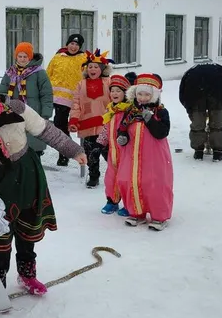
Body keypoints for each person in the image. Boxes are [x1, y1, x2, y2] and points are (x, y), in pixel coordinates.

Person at [0, 75, 86, 295]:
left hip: (26, 173)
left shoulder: (15, 108)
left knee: (28, 230)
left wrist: (73, 150)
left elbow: (46, 130)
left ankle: (27, 274)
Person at [115, 74, 173, 231]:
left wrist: (150, 120)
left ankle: (159, 216)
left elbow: (162, 133)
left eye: (147, 94)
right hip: (132, 154)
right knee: (132, 181)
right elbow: (122, 128)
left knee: (154, 183)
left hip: (154, 155)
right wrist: (122, 137)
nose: (143, 98)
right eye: (140, 94)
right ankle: (136, 213)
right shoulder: (130, 111)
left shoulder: (160, 112)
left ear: (153, 95)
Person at [0, 42, 53, 156]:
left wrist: (46, 114)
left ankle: (35, 163)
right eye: (20, 56)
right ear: (16, 57)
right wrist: (1, 109)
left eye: (25, 56)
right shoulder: (10, 73)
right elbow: (2, 92)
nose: (22, 59)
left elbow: (46, 94)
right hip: (13, 113)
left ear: (30, 57)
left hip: (34, 113)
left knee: (33, 147)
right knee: (16, 147)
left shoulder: (39, 73)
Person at [69, 49, 113, 188]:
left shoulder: (109, 82)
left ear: (102, 69)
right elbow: (76, 104)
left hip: (105, 124)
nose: (92, 69)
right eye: (90, 67)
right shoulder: (81, 84)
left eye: (95, 67)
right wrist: (74, 119)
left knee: (109, 153)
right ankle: (94, 176)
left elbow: (116, 98)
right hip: (87, 124)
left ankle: (116, 174)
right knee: (91, 153)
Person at [178, 62, 222, 161]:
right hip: (217, 94)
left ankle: (198, 151)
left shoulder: (191, 72)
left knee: (197, 124)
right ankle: (217, 151)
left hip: (196, 94)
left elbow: (183, 93)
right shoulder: (220, 70)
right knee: (217, 123)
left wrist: (190, 108)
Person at [46, 34, 87, 166]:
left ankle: (80, 153)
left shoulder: (84, 59)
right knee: (60, 125)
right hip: (58, 98)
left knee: (81, 126)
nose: (73, 47)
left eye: (77, 45)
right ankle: (65, 152)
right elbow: (48, 74)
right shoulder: (58, 57)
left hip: (77, 98)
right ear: (67, 44)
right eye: (71, 44)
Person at [97, 74, 133, 216]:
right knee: (111, 177)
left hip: (127, 151)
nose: (114, 93)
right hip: (113, 151)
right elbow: (106, 128)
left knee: (126, 178)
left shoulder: (130, 111)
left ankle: (129, 204)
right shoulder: (110, 110)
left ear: (125, 93)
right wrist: (99, 144)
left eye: (118, 91)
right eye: (112, 91)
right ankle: (112, 201)